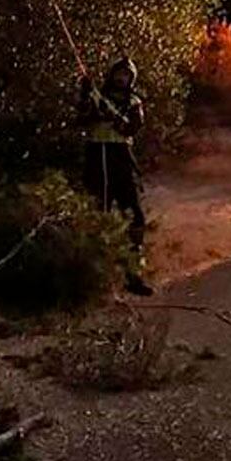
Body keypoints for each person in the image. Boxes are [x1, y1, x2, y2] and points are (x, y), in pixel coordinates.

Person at [79, 56, 152, 295]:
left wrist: (111, 114)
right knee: (97, 214)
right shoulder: (96, 95)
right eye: (118, 73)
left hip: (120, 159)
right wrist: (86, 96)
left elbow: (132, 127)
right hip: (95, 158)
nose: (121, 78)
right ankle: (91, 277)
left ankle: (133, 274)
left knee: (134, 216)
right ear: (111, 74)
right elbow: (82, 119)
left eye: (126, 75)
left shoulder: (133, 101)